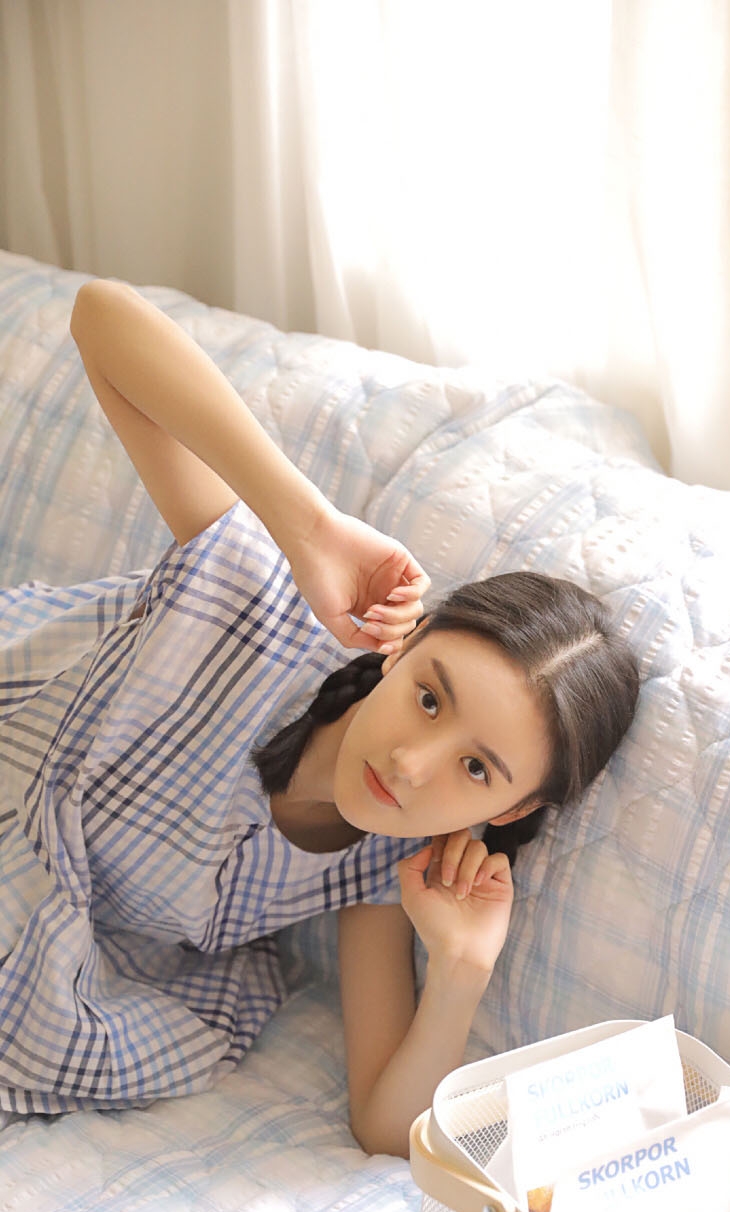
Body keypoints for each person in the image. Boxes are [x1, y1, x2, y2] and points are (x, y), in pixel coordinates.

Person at [0, 279, 640, 1155]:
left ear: (512, 810)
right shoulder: (250, 608)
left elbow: (385, 1126)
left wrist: (461, 970)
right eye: (427, 696)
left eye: (477, 768)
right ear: (401, 649)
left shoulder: (374, 874)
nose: (414, 763)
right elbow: (101, 318)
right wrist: (309, 529)